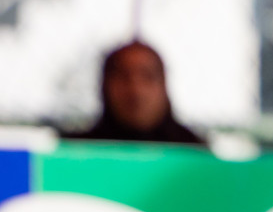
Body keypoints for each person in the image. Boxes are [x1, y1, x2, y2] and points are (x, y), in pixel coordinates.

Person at [68, 40, 205, 146]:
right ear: (104, 86)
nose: (135, 90)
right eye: (123, 77)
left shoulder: (195, 155)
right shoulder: (78, 153)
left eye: (148, 76)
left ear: (164, 85)